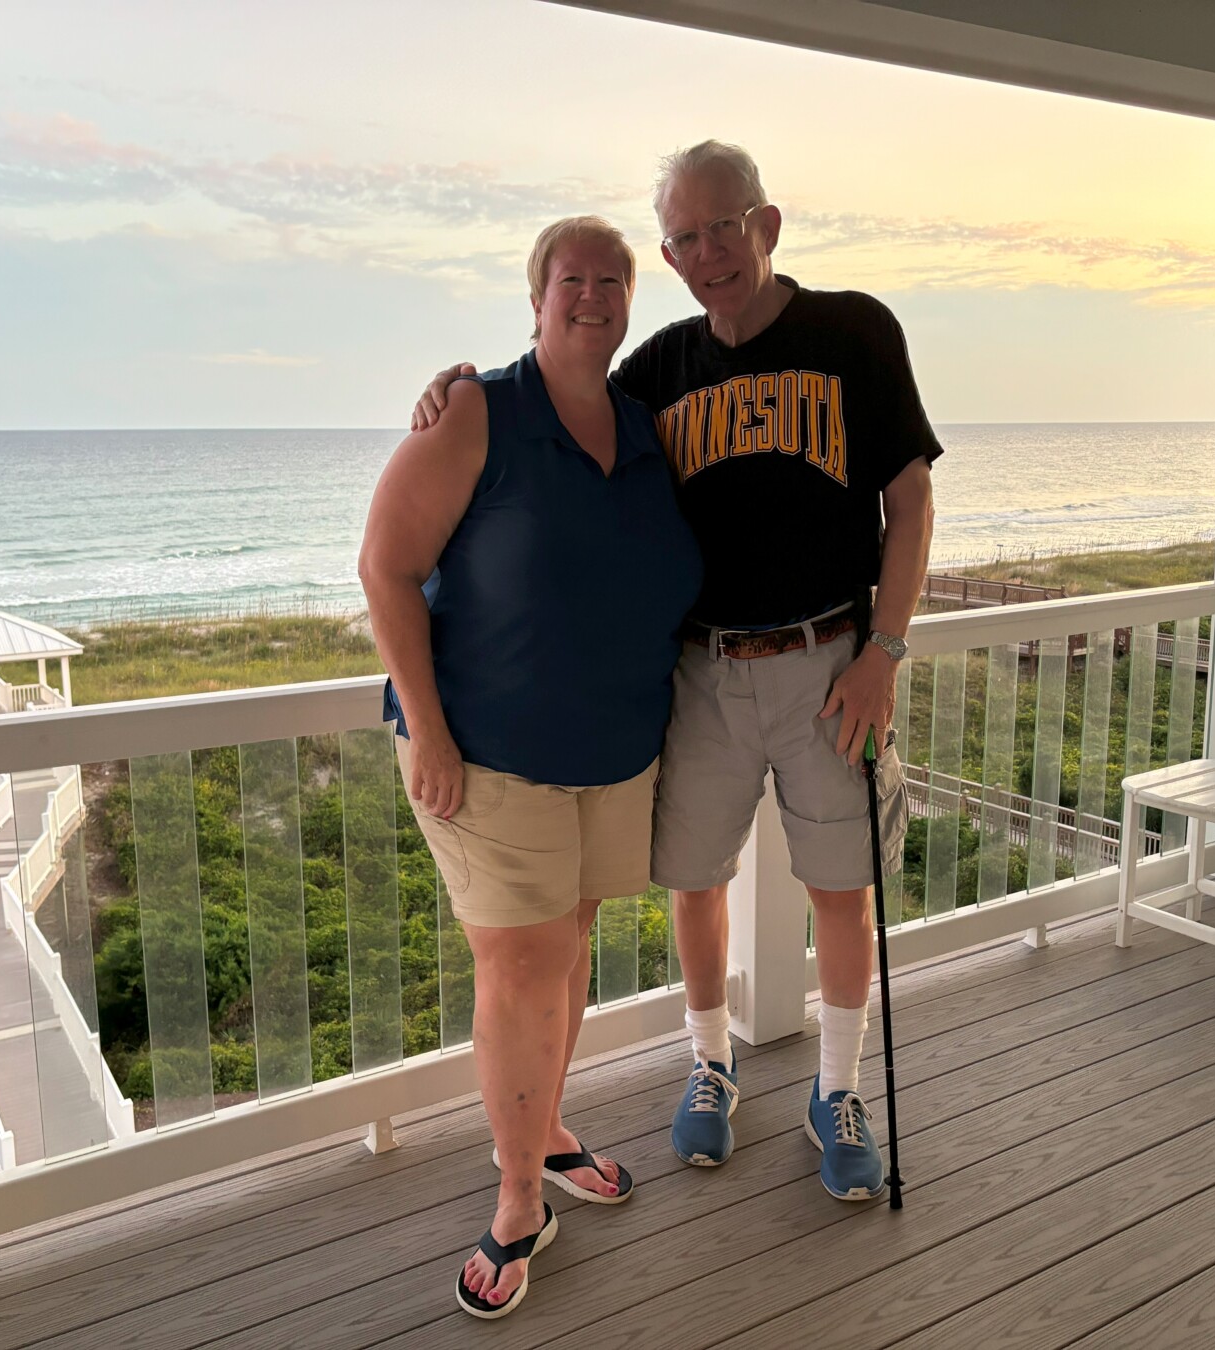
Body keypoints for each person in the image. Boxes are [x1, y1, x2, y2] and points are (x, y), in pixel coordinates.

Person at [413, 141, 938, 1204]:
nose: (710, 253)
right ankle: (710, 1063)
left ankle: (836, 1092)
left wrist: (885, 649)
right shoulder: (660, 367)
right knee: (693, 880)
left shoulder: (856, 332)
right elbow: (561, 383)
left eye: (725, 226)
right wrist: (454, 384)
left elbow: (911, 500)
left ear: (767, 224)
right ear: (672, 253)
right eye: (686, 238)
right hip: (702, 671)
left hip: (834, 662)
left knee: (843, 886)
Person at [360, 214, 702, 1318]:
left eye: (611, 279)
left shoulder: (648, 427)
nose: (591, 295)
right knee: (520, 966)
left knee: (571, 941)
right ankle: (518, 1201)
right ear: (536, 296)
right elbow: (385, 568)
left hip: (614, 752)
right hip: (488, 755)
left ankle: (547, 1133)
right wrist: (431, 731)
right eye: (571, 279)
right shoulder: (477, 410)